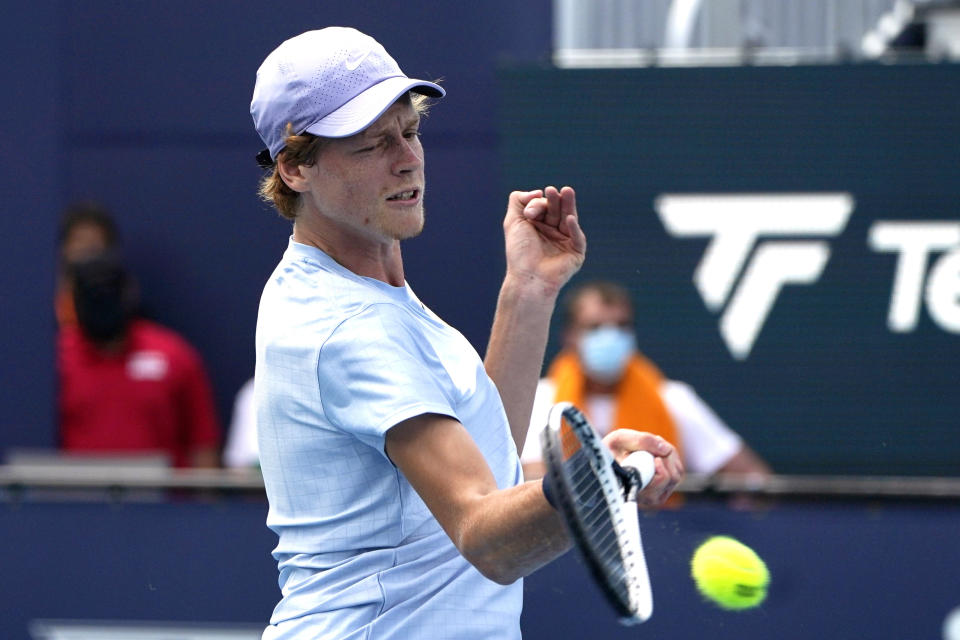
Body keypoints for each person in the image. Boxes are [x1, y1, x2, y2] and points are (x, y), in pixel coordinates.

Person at [249, 27, 683, 639]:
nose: (407, 157)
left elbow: (488, 462)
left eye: (410, 130)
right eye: (371, 144)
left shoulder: (354, 292)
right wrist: (588, 483)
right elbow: (488, 538)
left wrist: (528, 291)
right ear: (296, 168)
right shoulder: (349, 325)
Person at [521, 280, 771, 482]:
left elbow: (753, 479)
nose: (610, 337)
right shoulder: (540, 400)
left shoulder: (672, 398)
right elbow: (527, 481)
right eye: (595, 328)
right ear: (570, 337)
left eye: (622, 326)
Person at [57, 251, 222, 468]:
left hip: (163, 498)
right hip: (73, 497)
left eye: (108, 293)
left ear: (128, 293)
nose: (102, 305)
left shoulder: (174, 356)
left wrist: (204, 500)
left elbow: (202, 448)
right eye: (92, 296)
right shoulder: (57, 360)